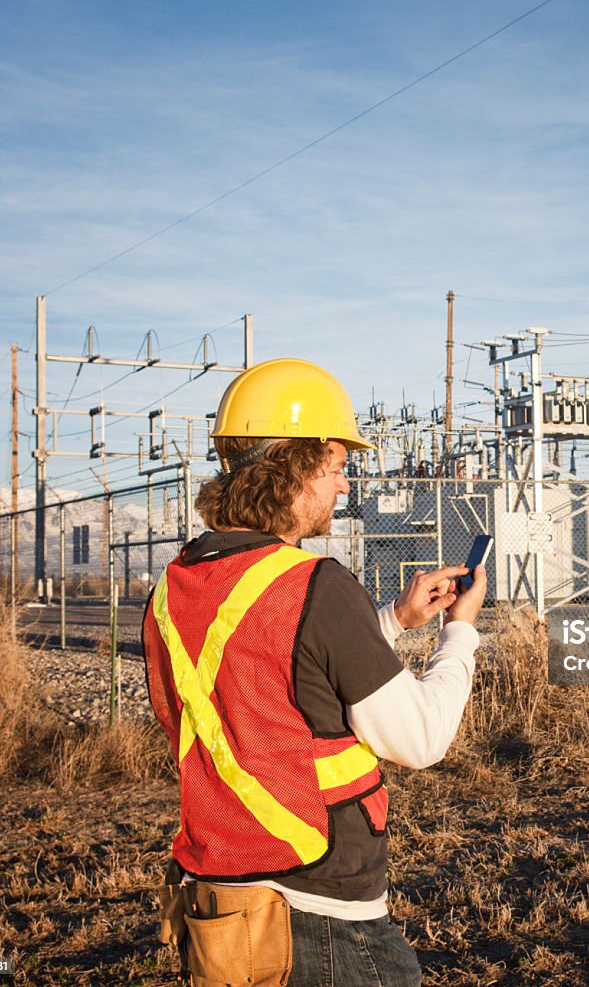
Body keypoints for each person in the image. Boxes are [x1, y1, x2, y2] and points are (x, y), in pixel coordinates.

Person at [143, 358, 486, 987]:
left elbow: (269, 674)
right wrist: (458, 632)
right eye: (336, 468)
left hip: (220, 902)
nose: (344, 487)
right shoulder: (316, 586)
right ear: (294, 470)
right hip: (321, 915)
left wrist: (391, 619)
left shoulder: (175, 588)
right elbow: (420, 739)